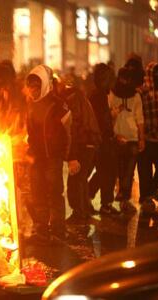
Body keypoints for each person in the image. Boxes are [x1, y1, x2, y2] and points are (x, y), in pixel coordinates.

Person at [24, 65, 71, 244]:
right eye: (30, 86)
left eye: (36, 86)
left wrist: (70, 155)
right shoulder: (30, 106)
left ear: (44, 84)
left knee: (54, 193)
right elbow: (30, 133)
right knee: (38, 194)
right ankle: (42, 230)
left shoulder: (58, 105)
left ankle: (58, 230)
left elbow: (69, 132)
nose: (33, 90)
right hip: (36, 157)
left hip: (53, 157)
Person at [55, 75, 101, 224]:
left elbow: (73, 128)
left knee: (75, 180)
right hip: (89, 142)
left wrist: (72, 156)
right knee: (81, 179)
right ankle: (84, 210)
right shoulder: (78, 96)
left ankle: (79, 213)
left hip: (83, 143)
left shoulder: (70, 100)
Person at [109, 67, 145, 215]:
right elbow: (109, 116)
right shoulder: (112, 94)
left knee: (129, 172)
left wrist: (141, 138)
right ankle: (123, 199)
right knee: (120, 171)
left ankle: (124, 198)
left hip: (132, 139)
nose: (125, 82)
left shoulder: (136, 96)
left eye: (127, 79)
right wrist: (116, 112)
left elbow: (140, 119)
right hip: (117, 138)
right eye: (122, 78)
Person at [88, 64, 119, 215]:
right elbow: (100, 120)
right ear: (104, 80)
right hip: (101, 141)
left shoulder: (98, 95)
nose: (113, 82)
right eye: (110, 79)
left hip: (103, 139)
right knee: (107, 172)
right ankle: (102, 202)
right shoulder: (97, 97)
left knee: (105, 172)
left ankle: (93, 197)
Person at [138, 62, 158, 203]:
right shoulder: (141, 92)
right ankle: (145, 196)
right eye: (155, 73)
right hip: (146, 138)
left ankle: (151, 191)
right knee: (145, 171)